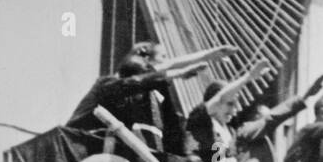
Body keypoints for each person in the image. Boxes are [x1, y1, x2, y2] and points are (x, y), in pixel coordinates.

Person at [67, 40, 237, 154]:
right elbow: (144, 78)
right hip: (73, 147)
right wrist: (204, 56)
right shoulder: (108, 85)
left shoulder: (147, 95)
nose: (165, 63)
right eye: (162, 57)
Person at [184, 60, 274, 162]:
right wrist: (248, 77)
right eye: (229, 104)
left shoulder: (229, 131)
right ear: (214, 103)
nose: (234, 110)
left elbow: (233, 159)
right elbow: (221, 97)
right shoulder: (199, 119)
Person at [235, 74, 323, 162]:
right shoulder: (245, 130)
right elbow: (272, 118)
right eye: (263, 116)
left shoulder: (263, 138)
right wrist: (305, 96)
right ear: (254, 116)